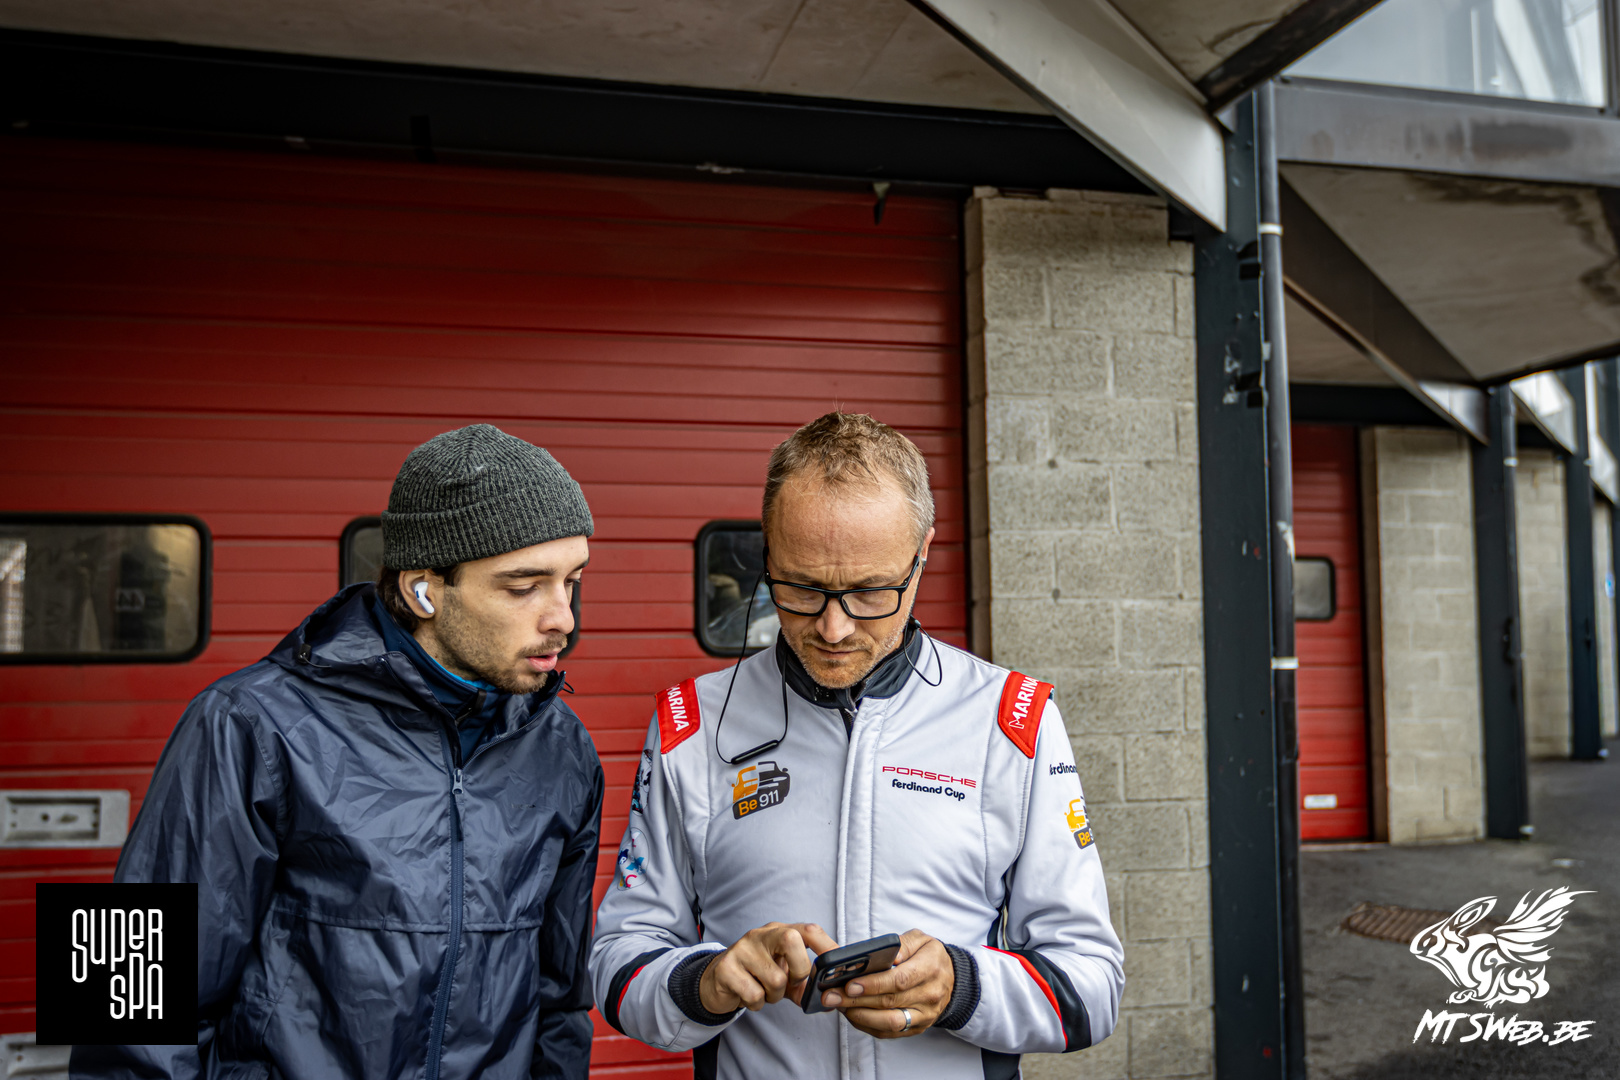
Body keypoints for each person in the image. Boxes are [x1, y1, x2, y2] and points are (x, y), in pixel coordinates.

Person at [591, 412, 1123, 1080]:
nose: (834, 628)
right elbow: (617, 962)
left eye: (871, 592)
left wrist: (961, 987)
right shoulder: (691, 725)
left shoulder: (1013, 721)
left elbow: (1092, 986)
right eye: (801, 589)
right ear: (767, 553)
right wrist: (708, 982)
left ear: (922, 555)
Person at [72, 424, 604, 1080]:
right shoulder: (244, 722)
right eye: (524, 587)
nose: (563, 618)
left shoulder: (562, 747)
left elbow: (561, 1002)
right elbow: (125, 993)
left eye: (572, 581)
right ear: (423, 589)